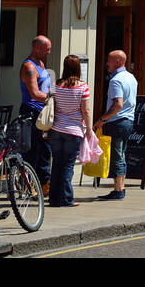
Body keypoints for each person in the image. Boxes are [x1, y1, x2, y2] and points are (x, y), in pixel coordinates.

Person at [93, 49, 137, 200]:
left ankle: (118, 190)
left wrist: (102, 120)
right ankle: (121, 188)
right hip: (128, 121)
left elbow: (117, 104)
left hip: (117, 122)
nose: (106, 63)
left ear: (118, 61)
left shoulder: (116, 80)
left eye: (109, 60)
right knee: (122, 154)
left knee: (117, 157)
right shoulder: (131, 77)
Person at [48, 55, 91, 208]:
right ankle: (66, 199)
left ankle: (53, 198)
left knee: (57, 164)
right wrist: (89, 130)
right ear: (78, 68)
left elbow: (50, 104)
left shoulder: (55, 85)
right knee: (67, 166)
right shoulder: (82, 87)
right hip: (73, 131)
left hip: (55, 129)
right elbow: (85, 110)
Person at [19, 35, 53, 195]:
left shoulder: (41, 63)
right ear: (37, 48)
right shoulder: (29, 66)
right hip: (31, 112)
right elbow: (34, 93)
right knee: (32, 150)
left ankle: (44, 183)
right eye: (47, 49)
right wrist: (53, 97)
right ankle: (27, 185)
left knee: (45, 150)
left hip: (43, 112)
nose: (49, 52)